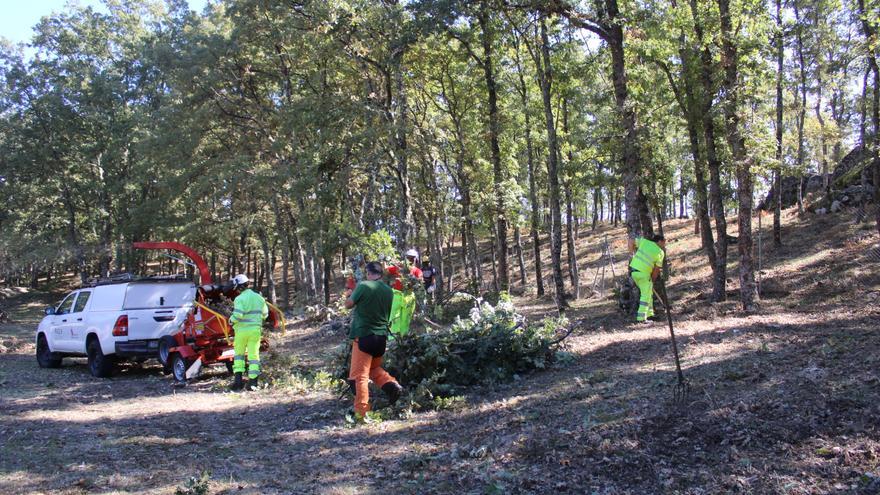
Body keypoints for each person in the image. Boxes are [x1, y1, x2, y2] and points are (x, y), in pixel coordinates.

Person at [344, 261, 403, 418]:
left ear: (368, 273)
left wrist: (349, 294)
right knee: (373, 369)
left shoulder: (364, 286)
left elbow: (348, 305)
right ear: (381, 273)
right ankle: (392, 384)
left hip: (364, 336)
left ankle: (361, 412)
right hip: (381, 338)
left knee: (358, 376)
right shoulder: (389, 291)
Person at [228, 274, 268, 391]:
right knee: (254, 356)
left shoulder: (239, 299)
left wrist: (231, 320)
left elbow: (238, 315)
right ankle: (253, 383)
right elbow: (265, 314)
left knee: (239, 356)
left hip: (241, 332)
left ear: (238, 286)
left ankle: (238, 382)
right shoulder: (259, 298)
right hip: (255, 331)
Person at [628, 234, 666, 324]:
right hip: (644, 274)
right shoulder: (660, 252)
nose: (664, 244)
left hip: (634, 272)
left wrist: (631, 254)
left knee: (648, 293)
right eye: (664, 242)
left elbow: (630, 241)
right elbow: (656, 270)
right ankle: (641, 318)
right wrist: (652, 279)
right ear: (659, 241)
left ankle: (650, 314)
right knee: (645, 295)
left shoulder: (644, 242)